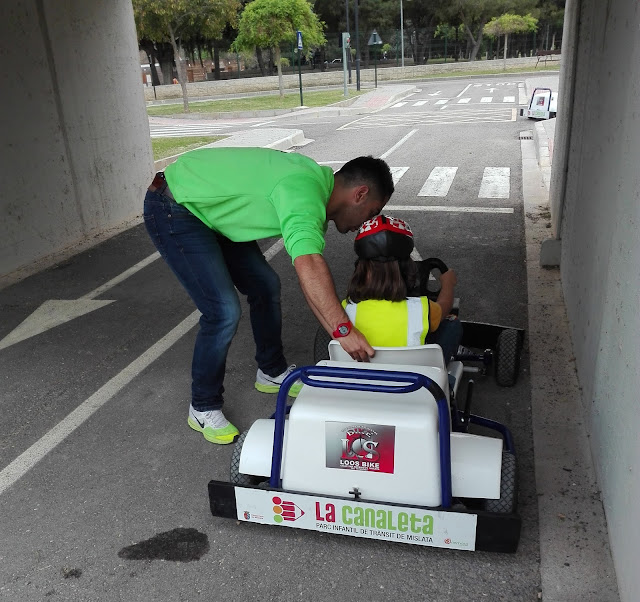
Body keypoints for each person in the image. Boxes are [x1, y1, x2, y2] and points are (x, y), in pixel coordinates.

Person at [143, 148, 394, 444]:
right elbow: (309, 264)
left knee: (265, 284)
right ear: (360, 194)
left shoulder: (314, 185)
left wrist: (338, 332)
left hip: (213, 213)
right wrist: (344, 331)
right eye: (373, 212)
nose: (365, 223)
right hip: (177, 206)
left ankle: (271, 372)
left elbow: (308, 277)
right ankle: (202, 405)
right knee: (222, 311)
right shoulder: (303, 192)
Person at [343, 215, 462, 363]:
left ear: (359, 271)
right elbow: (445, 305)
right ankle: (445, 373)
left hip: (359, 376)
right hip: (412, 380)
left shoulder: (344, 310)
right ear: (408, 269)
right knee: (451, 323)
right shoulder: (423, 309)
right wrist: (448, 284)